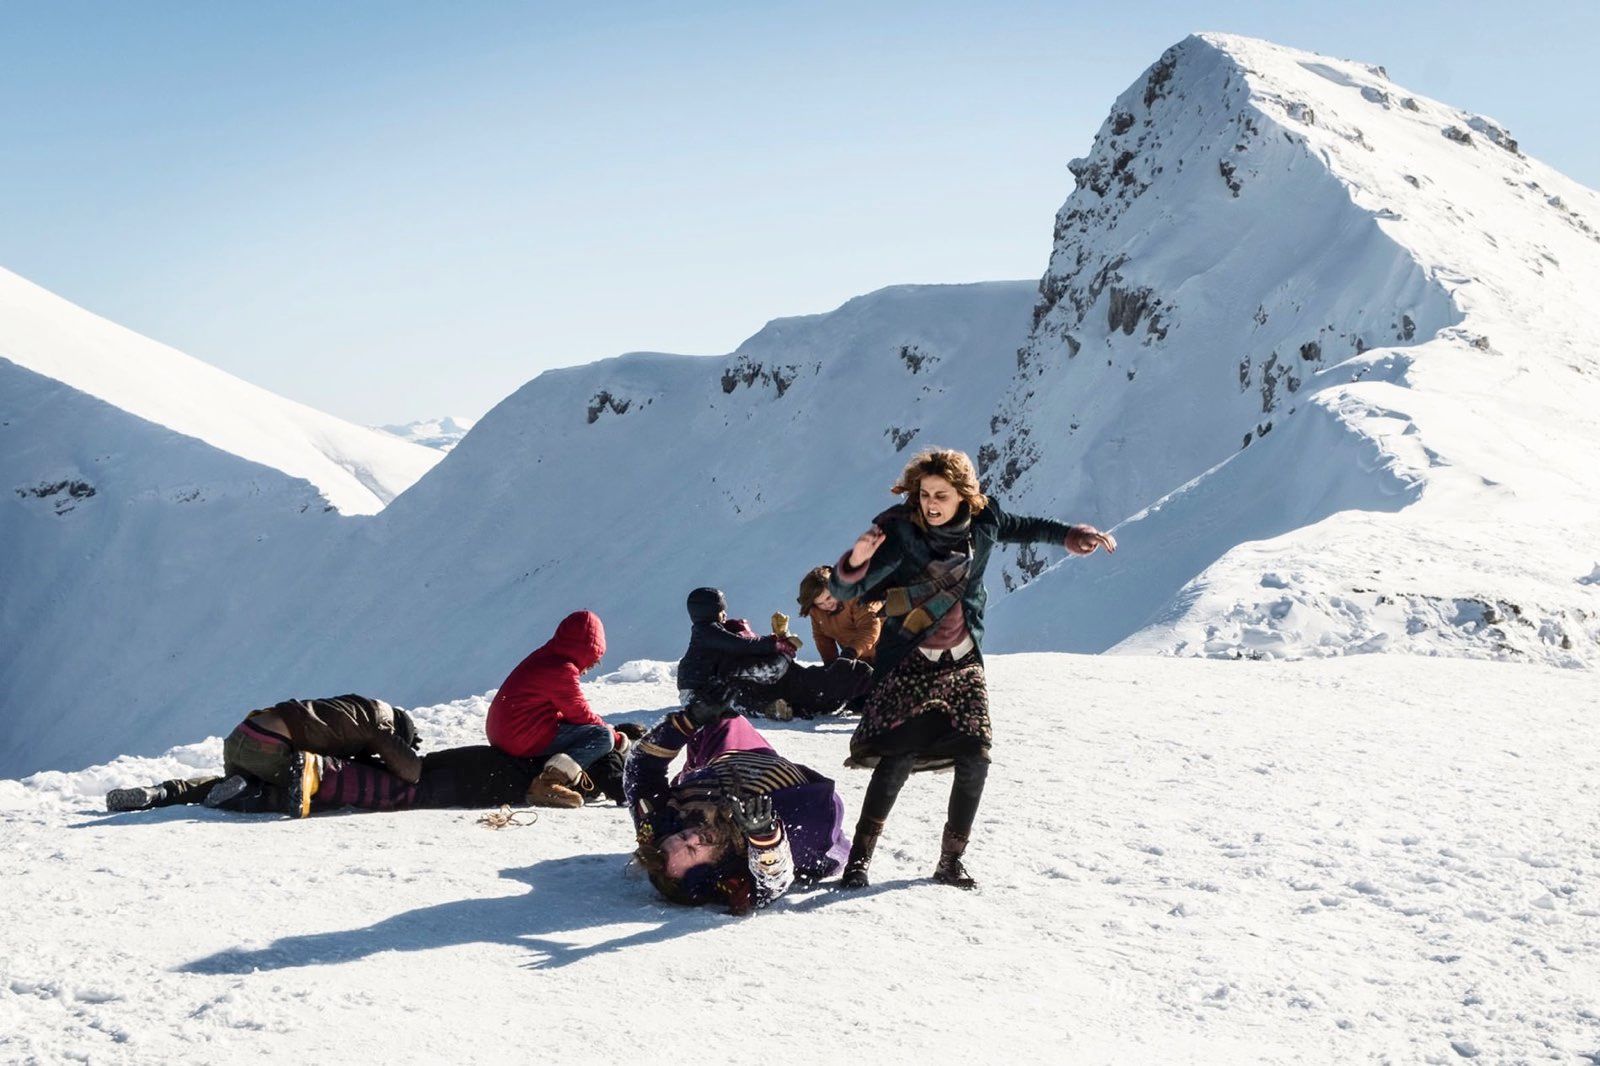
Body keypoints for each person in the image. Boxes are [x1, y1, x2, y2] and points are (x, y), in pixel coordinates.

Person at [827, 447, 1116, 891]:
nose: (931, 503)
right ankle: (858, 862)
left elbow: (1025, 527)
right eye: (925, 494)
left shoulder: (985, 520)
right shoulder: (900, 532)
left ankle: (950, 862)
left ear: (964, 495)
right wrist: (857, 560)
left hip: (963, 658)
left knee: (975, 757)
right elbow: (850, 588)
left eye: (941, 494)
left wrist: (1070, 535)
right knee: (897, 760)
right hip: (910, 659)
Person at [624, 702, 848, 914]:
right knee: (805, 829)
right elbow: (772, 885)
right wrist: (765, 837)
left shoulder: (660, 823)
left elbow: (639, 769)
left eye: (683, 836)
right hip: (805, 804)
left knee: (717, 714)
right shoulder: (735, 876)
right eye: (693, 850)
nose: (695, 837)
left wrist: (688, 720)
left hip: (734, 763)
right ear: (709, 872)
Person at [105, 693, 423, 817]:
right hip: (271, 747)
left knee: (229, 780)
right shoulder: (378, 722)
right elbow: (411, 772)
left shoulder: (350, 707)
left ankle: (161, 792)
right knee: (312, 786)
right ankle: (243, 796)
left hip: (242, 738)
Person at [486, 610, 630, 807]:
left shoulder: (547, 656)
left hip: (509, 732)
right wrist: (617, 738)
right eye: (593, 659)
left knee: (594, 732)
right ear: (587, 650)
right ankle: (547, 784)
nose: (590, 667)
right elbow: (580, 714)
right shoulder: (561, 669)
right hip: (522, 736)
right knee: (601, 737)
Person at [678, 587, 870, 721]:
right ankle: (767, 708)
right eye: (722, 610)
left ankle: (773, 706)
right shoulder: (708, 632)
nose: (725, 614)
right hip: (701, 696)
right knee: (741, 689)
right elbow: (743, 646)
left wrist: (775, 641)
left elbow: (744, 647)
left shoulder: (708, 635)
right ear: (712, 611)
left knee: (811, 683)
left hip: (705, 693)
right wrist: (777, 645)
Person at [797, 565, 883, 666]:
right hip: (861, 659)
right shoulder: (817, 612)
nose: (827, 604)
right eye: (820, 603)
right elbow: (822, 638)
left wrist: (850, 652)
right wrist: (830, 663)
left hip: (887, 647)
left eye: (828, 598)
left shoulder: (855, 594)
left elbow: (869, 627)